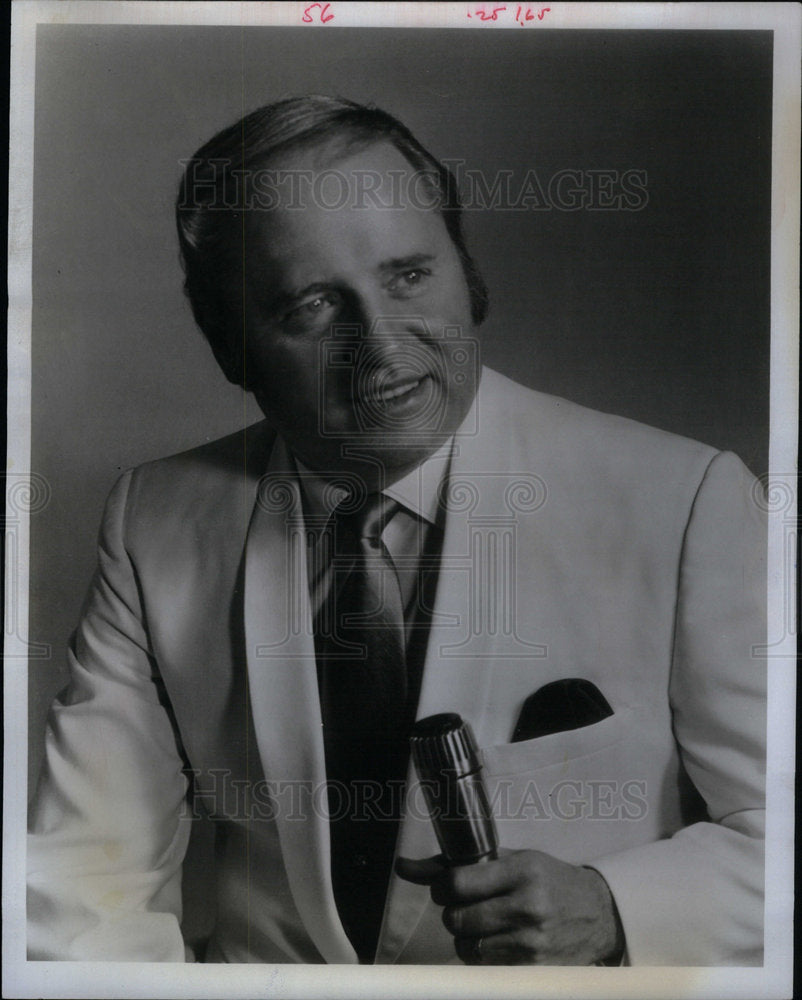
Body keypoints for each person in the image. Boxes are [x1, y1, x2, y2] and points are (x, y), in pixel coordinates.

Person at [27, 95, 766, 966]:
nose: (380, 344)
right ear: (230, 348)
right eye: (311, 305)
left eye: (409, 275)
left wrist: (616, 908)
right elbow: (86, 890)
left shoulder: (684, 501)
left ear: (469, 275)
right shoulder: (152, 520)